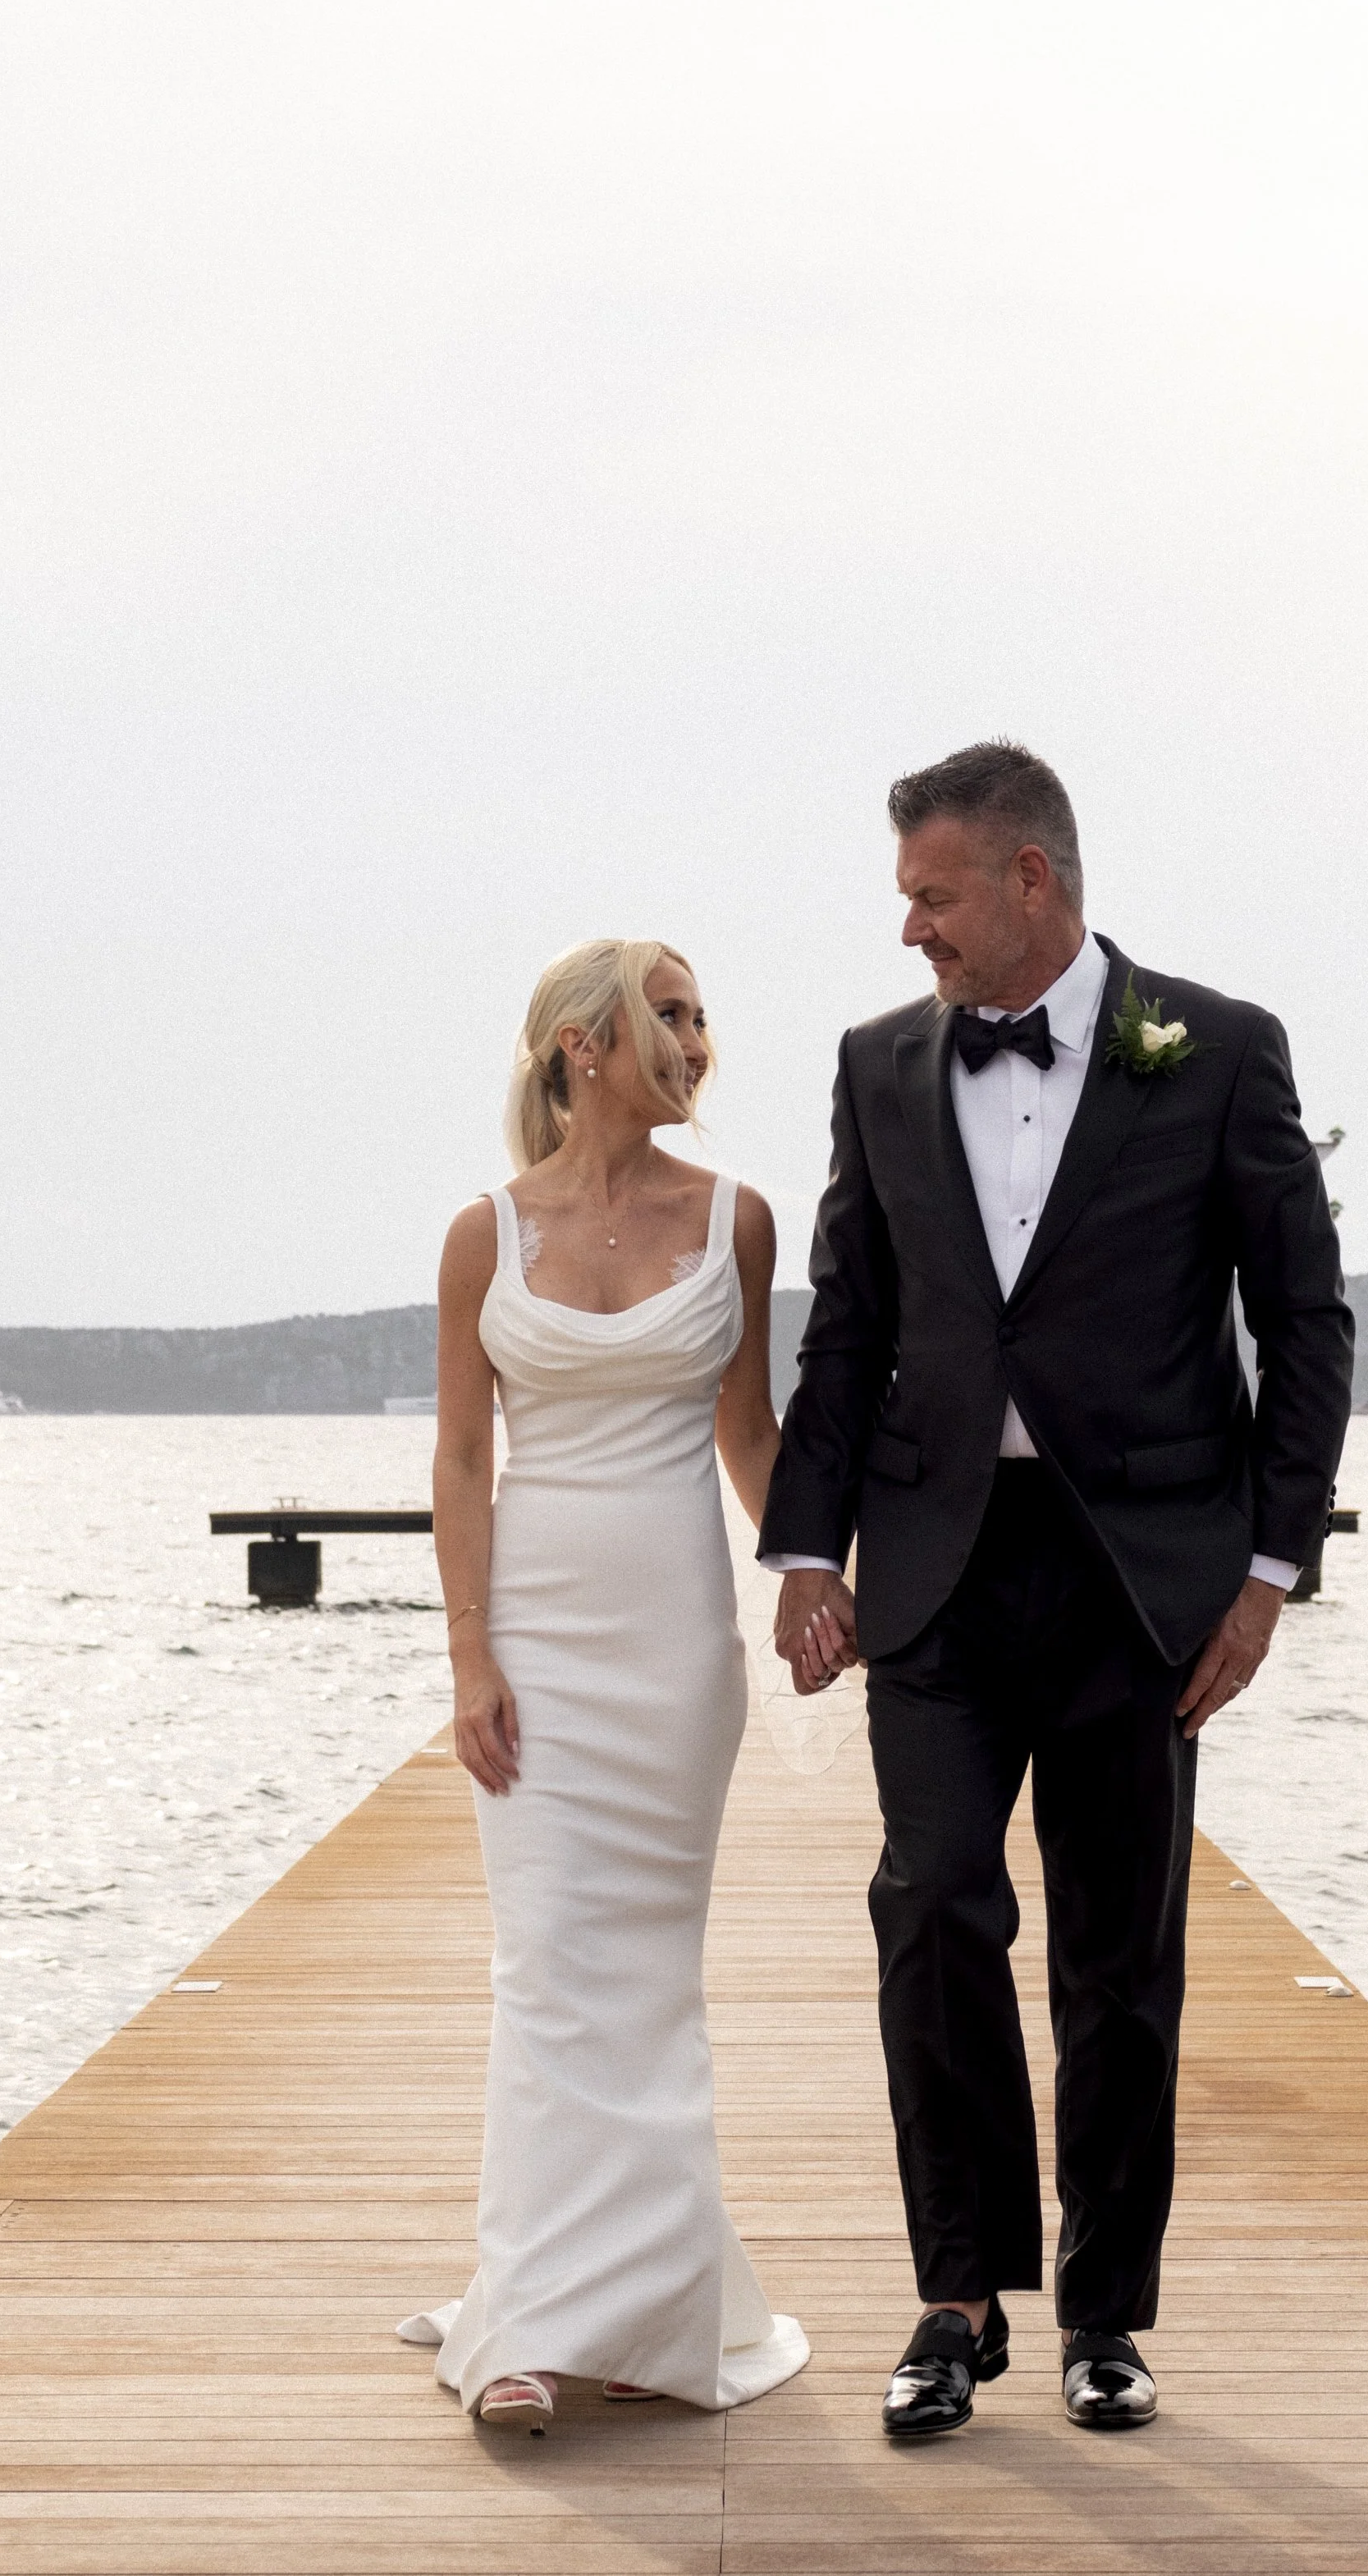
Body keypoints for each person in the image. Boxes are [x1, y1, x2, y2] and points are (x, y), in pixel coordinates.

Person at [761, 741, 1352, 2437]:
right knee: (930, 1901)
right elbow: (850, 1322)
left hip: (1141, 1581)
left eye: (930, 897)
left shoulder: (1218, 1049)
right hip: (935, 1572)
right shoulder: (877, 1068)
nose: (908, 934)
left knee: (1117, 1955)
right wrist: (808, 1550)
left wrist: (1264, 1568)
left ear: (1031, 880)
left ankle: (1105, 2310)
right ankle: (956, 2298)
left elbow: (1300, 1322)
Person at [398, 939, 809, 2429]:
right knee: (547, 1967)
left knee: (643, 1979)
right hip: (537, 1641)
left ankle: (645, 2305)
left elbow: (749, 1438)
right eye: (671, 1016)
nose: (698, 1042)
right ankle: (524, 2325)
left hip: (675, 1644)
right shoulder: (480, 1239)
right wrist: (469, 1655)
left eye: (705, 1017)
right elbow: (458, 1457)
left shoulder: (740, 1223)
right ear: (585, 1046)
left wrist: (826, 1582)